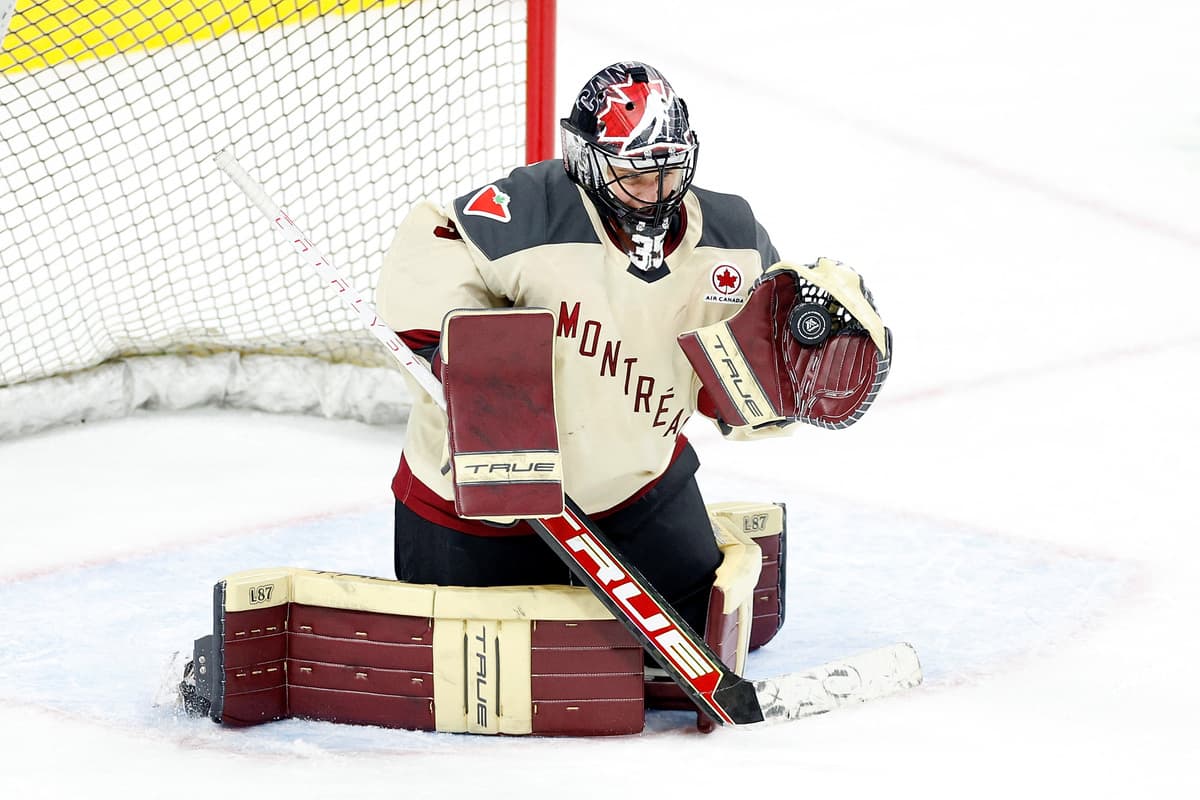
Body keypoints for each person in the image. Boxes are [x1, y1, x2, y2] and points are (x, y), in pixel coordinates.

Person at [375, 61, 890, 638]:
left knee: (694, 635)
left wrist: (784, 384)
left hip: (634, 486)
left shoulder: (732, 238)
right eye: (635, 175)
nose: (654, 193)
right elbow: (431, 248)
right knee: (502, 667)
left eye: (669, 173)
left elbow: (749, 372)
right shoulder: (527, 211)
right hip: (482, 501)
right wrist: (461, 353)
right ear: (587, 159)